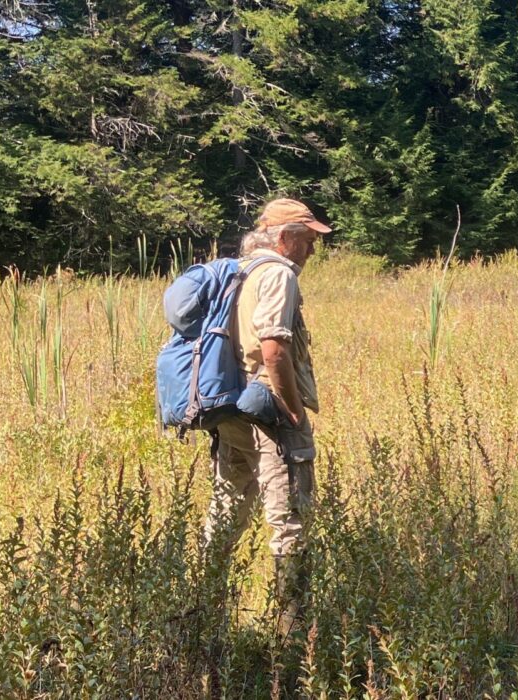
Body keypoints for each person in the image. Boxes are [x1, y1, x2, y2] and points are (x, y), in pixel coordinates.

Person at [203, 198, 330, 633]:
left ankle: (203, 616)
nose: (313, 249)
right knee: (290, 520)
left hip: (231, 411)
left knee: (226, 510)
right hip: (268, 411)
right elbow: (275, 348)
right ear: (284, 238)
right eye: (309, 239)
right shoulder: (277, 273)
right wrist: (293, 411)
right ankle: (293, 642)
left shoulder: (241, 271)